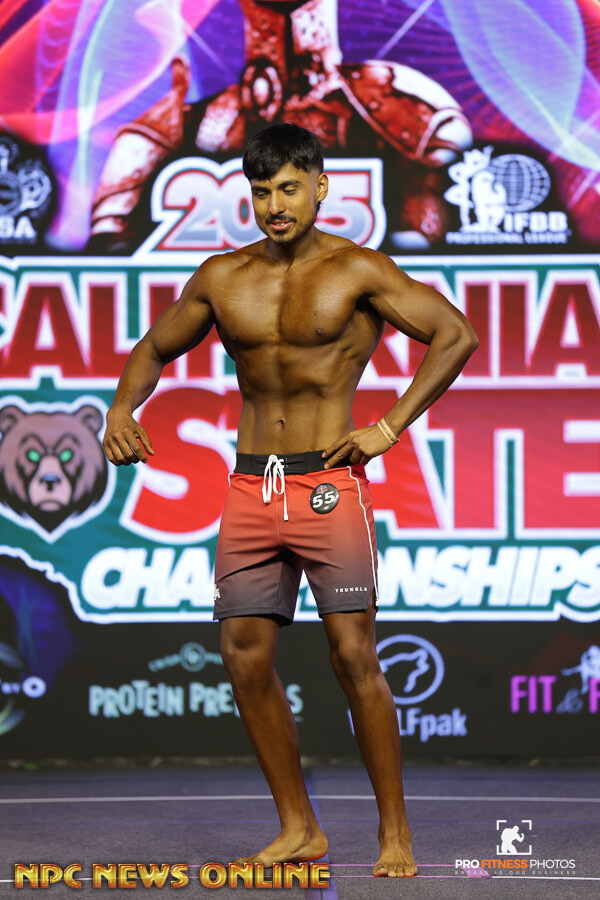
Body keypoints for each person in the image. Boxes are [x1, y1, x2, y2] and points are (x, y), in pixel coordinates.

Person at [103, 122, 478, 878]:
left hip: (328, 486)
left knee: (353, 656)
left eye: (288, 189)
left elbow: (455, 334)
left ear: (319, 187)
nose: (275, 205)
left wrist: (388, 426)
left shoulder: (359, 270)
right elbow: (153, 347)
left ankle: (395, 834)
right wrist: (120, 408)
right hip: (250, 486)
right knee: (243, 658)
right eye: (261, 191)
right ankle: (299, 828)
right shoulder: (222, 276)